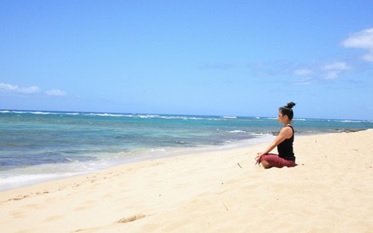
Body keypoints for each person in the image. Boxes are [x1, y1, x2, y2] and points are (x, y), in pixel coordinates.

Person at [255, 102, 297, 169]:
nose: (277, 118)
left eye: (279, 116)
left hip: (288, 161)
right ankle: (272, 162)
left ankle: (271, 165)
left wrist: (263, 154)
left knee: (263, 157)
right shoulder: (287, 128)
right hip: (284, 158)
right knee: (261, 154)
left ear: (285, 117)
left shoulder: (286, 129)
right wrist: (263, 153)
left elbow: (274, 144)